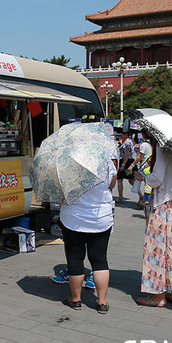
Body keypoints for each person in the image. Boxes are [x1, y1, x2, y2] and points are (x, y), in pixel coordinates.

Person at [58, 121, 116, 314]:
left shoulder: (68, 162)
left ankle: (75, 299)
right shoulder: (105, 161)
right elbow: (111, 185)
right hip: (101, 218)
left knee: (75, 258)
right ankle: (102, 302)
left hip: (73, 218)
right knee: (100, 260)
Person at [134, 139, 172, 307]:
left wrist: (142, 175)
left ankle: (157, 295)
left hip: (162, 203)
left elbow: (157, 178)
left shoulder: (161, 146)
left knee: (157, 248)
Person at [128, 133, 152, 208]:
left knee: (136, 180)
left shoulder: (144, 144)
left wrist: (132, 165)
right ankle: (142, 199)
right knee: (141, 182)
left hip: (145, 167)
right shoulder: (151, 144)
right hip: (148, 166)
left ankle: (143, 200)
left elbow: (140, 156)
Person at [116, 131, 134, 204]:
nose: (121, 135)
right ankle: (141, 196)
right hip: (128, 162)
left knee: (120, 179)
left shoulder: (127, 143)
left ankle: (120, 198)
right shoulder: (129, 141)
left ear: (126, 135)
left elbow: (126, 154)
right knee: (131, 180)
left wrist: (123, 165)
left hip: (125, 162)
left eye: (123, 134)